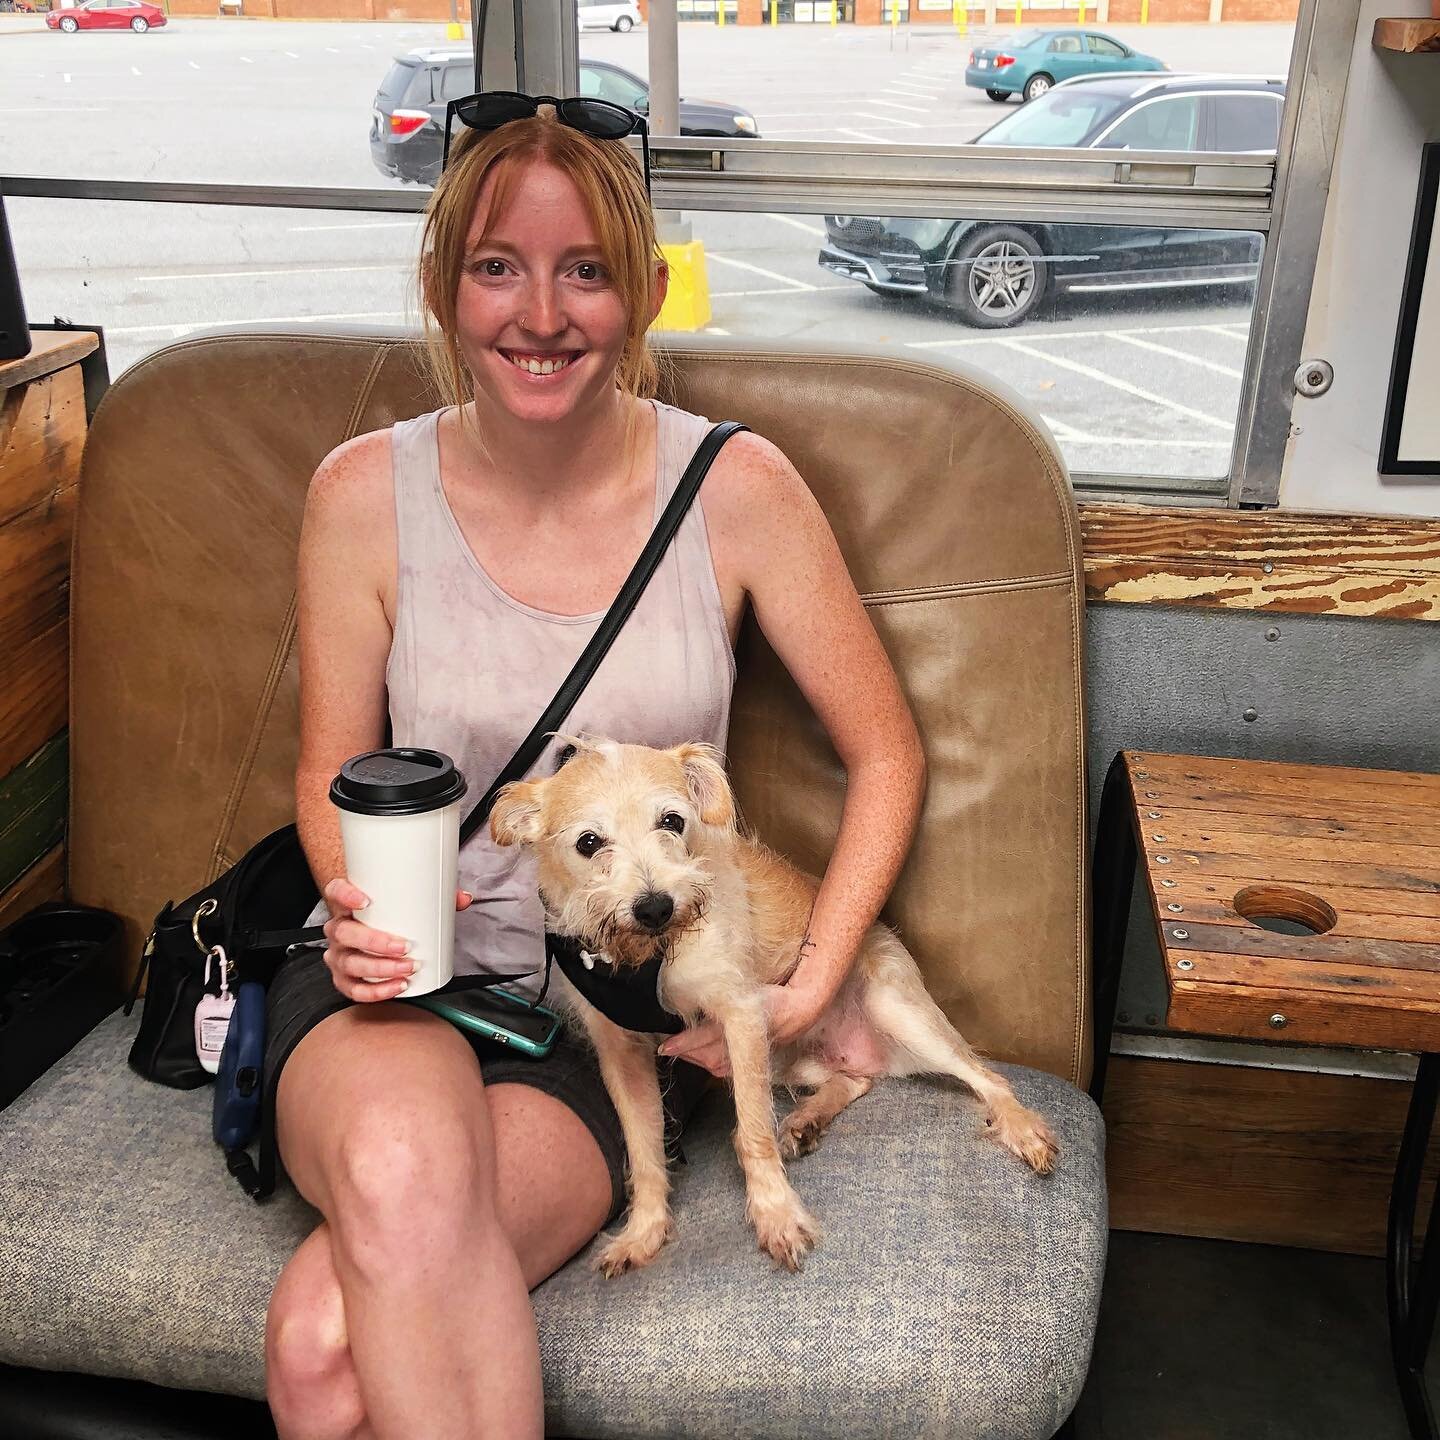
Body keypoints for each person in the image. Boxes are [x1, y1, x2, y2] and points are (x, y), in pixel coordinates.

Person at [261, 94, 925, 1440]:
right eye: (499, 267)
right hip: (393, 996)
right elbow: (327, 767)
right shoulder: (355, 495)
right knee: (395, 1163)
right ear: (448, 287)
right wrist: (357, 911)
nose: (542, 315)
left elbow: (887, 753)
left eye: (587, 273)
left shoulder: (738, 490)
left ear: (641, 288)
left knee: (325, 1345)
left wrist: (802, 987)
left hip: (591, 1029)